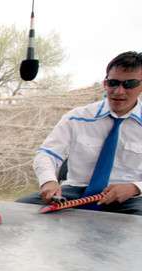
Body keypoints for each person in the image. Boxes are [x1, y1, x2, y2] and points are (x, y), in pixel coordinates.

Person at [17, 51, 142, 215]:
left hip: (130, 199)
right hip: (74, 193)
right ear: (105, 83)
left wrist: (134, 187)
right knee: (18, 211)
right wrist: (48, 182)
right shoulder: (77, 117)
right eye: (113, 83)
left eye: (129, 84)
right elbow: (47, 154)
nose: (119, 91)